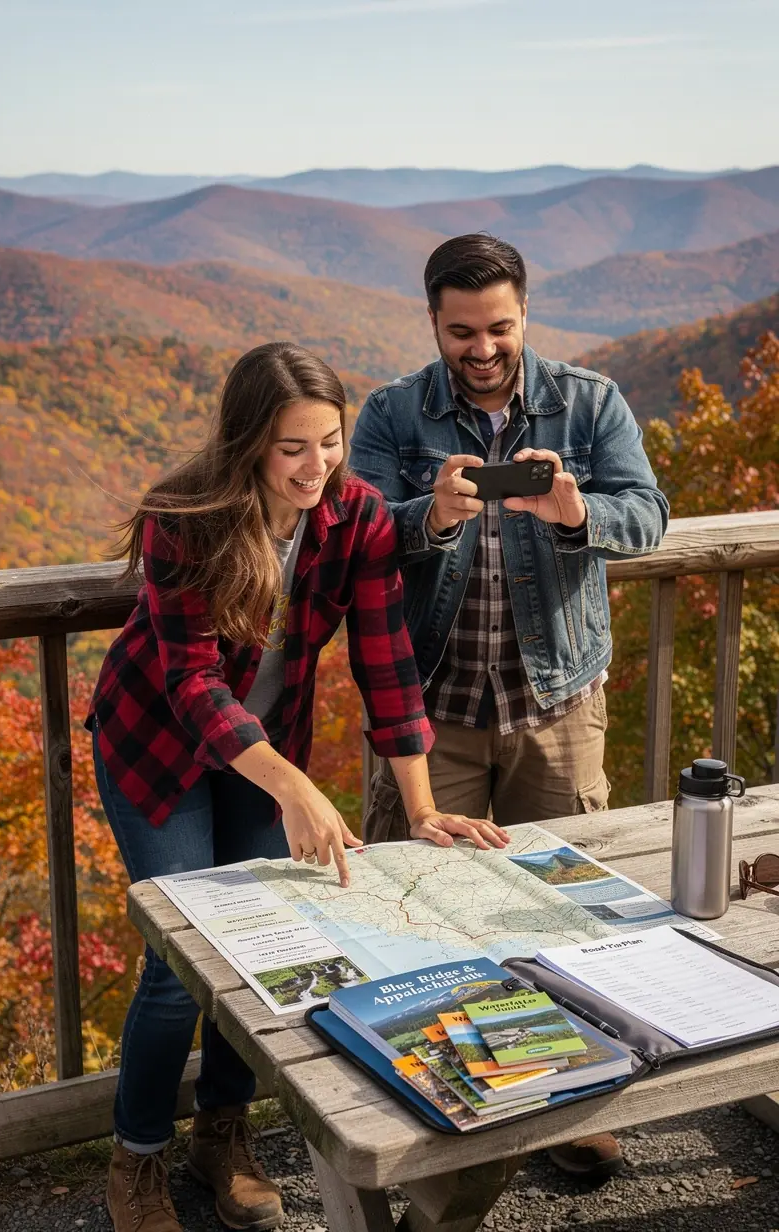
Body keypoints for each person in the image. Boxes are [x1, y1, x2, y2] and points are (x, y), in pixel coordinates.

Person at [88, 341, 506, 1232]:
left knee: (256, 948)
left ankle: (222, 1134)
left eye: (329, 441)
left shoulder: (355, 517)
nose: (315, 466)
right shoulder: (184, 518)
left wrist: (422, 807)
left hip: (264, 754)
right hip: (157, 749)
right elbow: (193, 683)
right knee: (177, 964)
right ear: (248, 444)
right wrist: (297, 790)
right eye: (292, 448)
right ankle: (138, 1156)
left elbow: (386, 662)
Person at [350, 234, 669, 1180]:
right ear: (433, 322)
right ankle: (434, 1116)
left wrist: (577, 513)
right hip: (432, 713)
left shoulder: (590, 401)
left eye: (498, 327)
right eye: (461, 332)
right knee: (416, 915)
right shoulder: (392, 414)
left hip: (556, 704)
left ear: (524, 313)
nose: (482, 348)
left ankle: (567, 1098)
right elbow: (353, 534)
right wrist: (430, 516)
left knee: (561, 913)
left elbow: (648, 514)